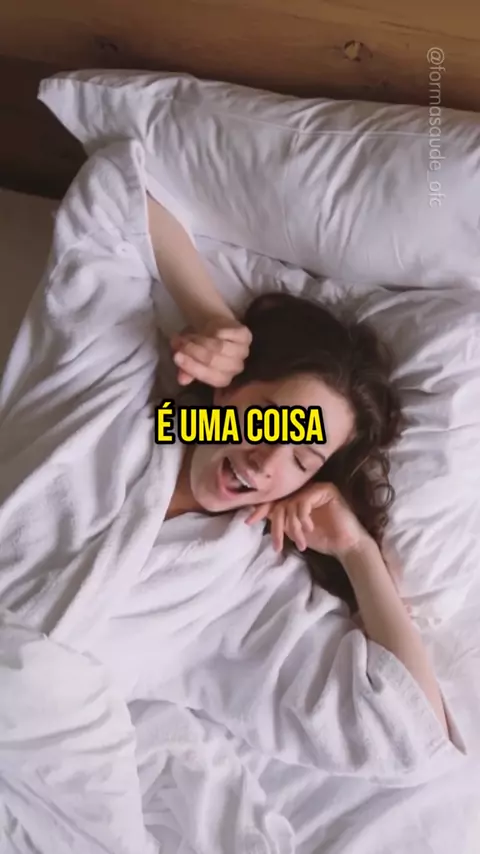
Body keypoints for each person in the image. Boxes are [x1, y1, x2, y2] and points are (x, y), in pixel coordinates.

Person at [147, 193, 450, 739]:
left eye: (302, 456)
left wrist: (357, 551)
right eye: (271, 418)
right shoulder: (134, 415)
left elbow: (410, 731)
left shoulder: (247, 569)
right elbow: (117, 194)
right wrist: (210, 317)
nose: (268, 456)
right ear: (229, 390)